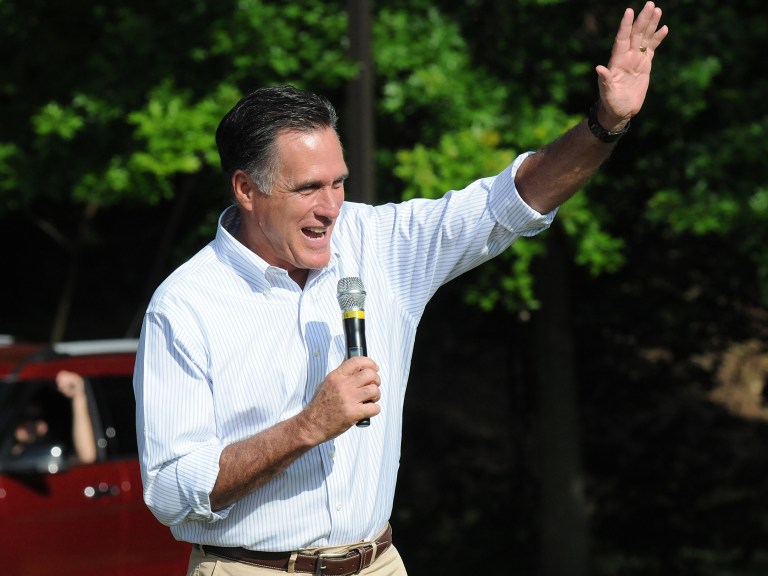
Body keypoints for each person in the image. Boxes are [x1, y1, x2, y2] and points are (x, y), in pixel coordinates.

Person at [133, 3, 668, 575]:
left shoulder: (378, 244)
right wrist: (307, 428)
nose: (331, 208)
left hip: (378, 563)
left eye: (339, 182)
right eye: (308, 188)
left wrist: (603, 125)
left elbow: (507, 204)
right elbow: (169, 492)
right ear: (246, 188)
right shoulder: (185, 305)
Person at [10, 370, 97, 464]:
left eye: (41, 419)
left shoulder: (33, 459)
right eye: (32, 417)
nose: (37, 426)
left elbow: (86, 457)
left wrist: (78, 397)